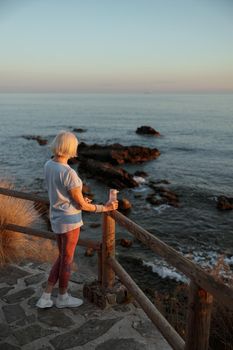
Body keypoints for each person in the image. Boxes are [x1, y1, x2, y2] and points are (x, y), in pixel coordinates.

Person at [36, 131, 118, 309]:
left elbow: (63, 194)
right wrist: (105, 208)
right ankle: (63, 297)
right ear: (71, 148)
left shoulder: (49, 165)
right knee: (67, 259)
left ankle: (46, 295)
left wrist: (79, 200)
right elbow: (81, 205)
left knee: (62, 257)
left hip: (56, 217)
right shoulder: (69, 173)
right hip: (69, 220)